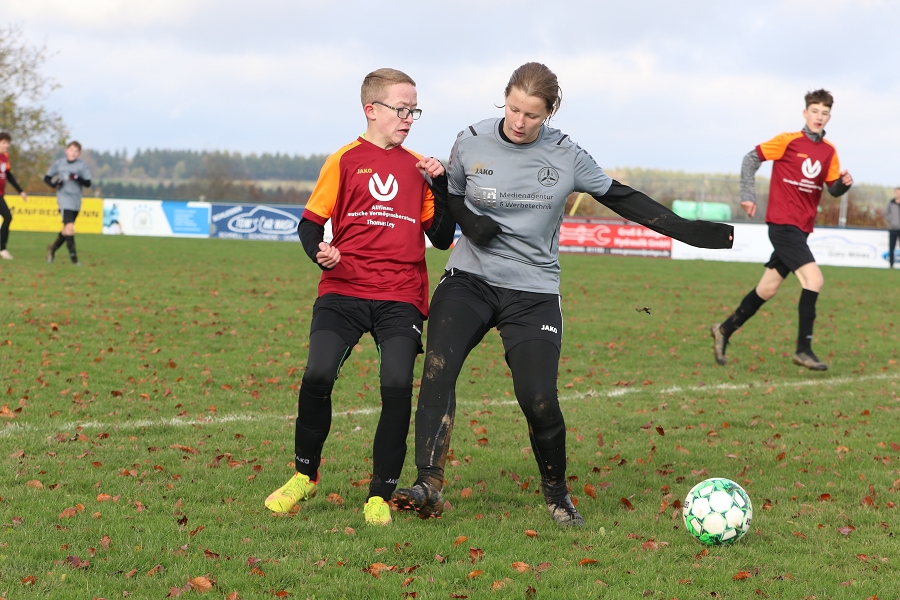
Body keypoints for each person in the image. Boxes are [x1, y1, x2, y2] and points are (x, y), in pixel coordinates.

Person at [391, 62, 734, 527]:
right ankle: (428, 483)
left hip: (532, 291)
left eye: (531, 115)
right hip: (469, 279)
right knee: (438, 369)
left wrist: (690, 232)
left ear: (548, 113)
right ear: (504, 101)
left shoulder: (566, 154)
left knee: (538, 398)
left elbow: (621, 196)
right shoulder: (469, 139)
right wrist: (466, 220)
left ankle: (556, 494)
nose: (518, 121)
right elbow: (450, 199)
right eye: (513, 109)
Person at [264, 68, 457, 526]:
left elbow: (445, 237)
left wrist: (442, 185)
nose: (409, 118)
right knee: (317, 375)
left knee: (394, 385)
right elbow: (310, 224)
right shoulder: (344, 160)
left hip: (401, 296)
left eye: (414, 110)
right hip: (344, 289)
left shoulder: (418, 167)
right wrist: (321, 253)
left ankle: (379, 494)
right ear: (372, 109)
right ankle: (304, 477)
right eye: (401, 109)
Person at [712, 89, 853, 371]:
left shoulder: (829, 151)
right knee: (814, 280)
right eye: (815, 111)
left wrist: (844, 185)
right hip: (782, 224)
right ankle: (803, 349)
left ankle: (724, 329)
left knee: (768, 288)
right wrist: (748, 194)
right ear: (805, 113)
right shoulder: (788, 141)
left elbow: (833, 188)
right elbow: (751, 158)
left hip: (801, 229)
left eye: (824, 113)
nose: (819, 117)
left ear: (829, 117)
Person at [44, 141, 92, 265]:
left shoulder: (82, 165)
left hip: (76, 200)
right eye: (71, 150)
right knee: (70, 228)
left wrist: (77, 178)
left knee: (66, 230)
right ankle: (74, 259)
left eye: (76, 151)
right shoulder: (59, 164)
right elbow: (47, 178)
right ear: (66, 150)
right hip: (64, 200)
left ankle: (52, 249)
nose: (73, 153)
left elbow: (88, 183)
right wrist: (55, 184)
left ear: (79, 153)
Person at [0, 132, 28, 260]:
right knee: (7, 216)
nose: (7, 145)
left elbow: (9, 175)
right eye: (4, 143)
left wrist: (20, 191)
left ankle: (2, 248)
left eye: (8, 143)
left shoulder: (5, 157)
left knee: (8, 217)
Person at [886, 187, 900, 268]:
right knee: (892, 248)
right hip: (893, 229)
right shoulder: (891, 203)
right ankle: (891, 265)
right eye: (897, 192)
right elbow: (886, 213)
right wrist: (891, 221)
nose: (898, 194)